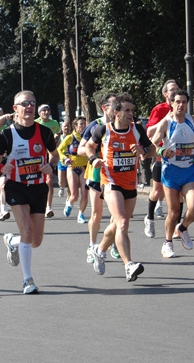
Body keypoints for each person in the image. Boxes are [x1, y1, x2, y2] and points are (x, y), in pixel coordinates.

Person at [0, 91, 59, 294]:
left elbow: (55, 155)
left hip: (38, 187)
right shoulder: (7, 134)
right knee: (27, 233)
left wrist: (50, 166)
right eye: (24, 104)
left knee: (35, 241)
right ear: (15, 109)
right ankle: (27, 279)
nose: (29, 107)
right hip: (16, 187)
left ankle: (12, 241)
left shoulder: (45, 132)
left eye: (32, 103)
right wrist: (1, 168)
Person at [86, 93, 155, 281]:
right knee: (123, 222)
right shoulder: (103, 130)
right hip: (110, 182)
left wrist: (143, 151)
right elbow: (89, 147)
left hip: (130, 183)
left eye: (132, 110)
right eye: (127, 110)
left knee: (117, 224)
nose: (131, 113)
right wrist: (94, 159)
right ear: (116, 112)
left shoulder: (137, 130)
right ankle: (128, 265)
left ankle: (100, 250)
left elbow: (153, 150)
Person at [150, 90, 194, 258]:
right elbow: (152, 145)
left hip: (188, 170)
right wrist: (162, 150)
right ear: (172, 104)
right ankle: (167, 243)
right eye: (178, 102)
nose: (181, 105)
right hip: (171, 171)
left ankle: (182, 228)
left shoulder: (192, 121)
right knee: (173, 212)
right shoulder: (166, 123)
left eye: (184, 102)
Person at [77, 93, 121, 263]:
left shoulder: (123, 125)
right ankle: (92, 245)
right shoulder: (95, 126)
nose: (117, 109)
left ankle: (112, 242)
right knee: (97, 213)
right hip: (97, 174)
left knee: (117, 214)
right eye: (114, 105)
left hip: (117, 174)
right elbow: (81, 149)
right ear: (104, 108)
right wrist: (93, 155)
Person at [144, 80, 180, 238]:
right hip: (160, 155)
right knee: (157, 191)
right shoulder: (159, 109)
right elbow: (150, 132)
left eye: (177, 89)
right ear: (165, 94)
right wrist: (166, 119)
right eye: (172, 90)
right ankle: (150, 218)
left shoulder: (182, 109)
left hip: (179, 157)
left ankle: (178, 226)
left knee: (179, 193)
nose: (174, 92)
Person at [57, 116, 88, 223]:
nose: (83, 126)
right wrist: (64, 158)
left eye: (84, 124)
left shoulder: (88, 138)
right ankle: (69, 203)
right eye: (81, 124)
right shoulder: (70, 138)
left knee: (85, 193)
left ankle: (81, 215)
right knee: (74, 195)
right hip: (72, 168)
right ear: (75, 126)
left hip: (84, 168)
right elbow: (59, 149)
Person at [35, 103, 61, 217]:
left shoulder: (54, 123)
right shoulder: (35, 123)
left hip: (50, 153)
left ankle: (48, 207)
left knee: (49, 180)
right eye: (43, 110)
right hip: (37, 154)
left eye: (48, 110)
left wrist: (56, 139)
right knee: (37, 180)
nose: (46, 112)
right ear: (39, 113)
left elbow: (58, 133)